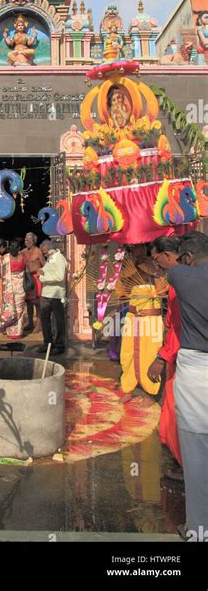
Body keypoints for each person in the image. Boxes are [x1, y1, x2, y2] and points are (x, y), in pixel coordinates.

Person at [165, 232, 208, 541]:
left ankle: (198, 530)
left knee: (197, 460)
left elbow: (170, 265)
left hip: (197, 375)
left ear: (188, 259)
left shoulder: (181, 275)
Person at [147, 236, 183, 479]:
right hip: (177, 348)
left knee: (179, 404)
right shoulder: (177, 280)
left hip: (184, 353)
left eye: (156, 258)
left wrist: (162, 357)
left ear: (168, 256)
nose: (155, 263)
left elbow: (180, 327)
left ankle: (186, 463)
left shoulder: (182, 281)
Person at [118, 244, 165, 404]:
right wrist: (129, 267)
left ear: (144, 248)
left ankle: (150, 392)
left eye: (136, 248)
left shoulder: (154, 265)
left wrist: (148, 268)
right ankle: (128, 389)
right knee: (127, 353)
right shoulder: (128, 266)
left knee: (150, 353)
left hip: (150, 320)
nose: (133, 251)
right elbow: (122, 290)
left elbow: (161, 290)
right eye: (130, 249)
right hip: (132, 317)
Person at [37, 241, 68, 355]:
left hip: (56, 294)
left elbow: (60, 277)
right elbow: (43, 271)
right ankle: (48, 343)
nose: (44, 254)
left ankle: (60, 345)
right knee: (45, 320)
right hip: (46, 293)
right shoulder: (50, 259)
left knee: (59, 320)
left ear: (51, 249)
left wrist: (43, 277)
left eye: (45, 252)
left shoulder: (59, 259)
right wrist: (41, 273)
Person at [0, 240, 26, 340]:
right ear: (19, 248)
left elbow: (0, 273)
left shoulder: (5, 258)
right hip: (20, 287)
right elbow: (25, 269)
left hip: (8, 287)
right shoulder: (23, 257)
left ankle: (10, 332)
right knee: (19, 309)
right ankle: (18, 332)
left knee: (10, 309)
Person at [21, 232, 45, 333]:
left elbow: (44, 264)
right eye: (26, 239)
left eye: (29, 239)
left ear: (33, 240)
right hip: (27, 279)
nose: (26, 241)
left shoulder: (38, 251)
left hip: (36, 279)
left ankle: (38, 325)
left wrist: (42, 272)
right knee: (29, 303)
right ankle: (30, 323)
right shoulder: (23, 251)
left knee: (37, 304)